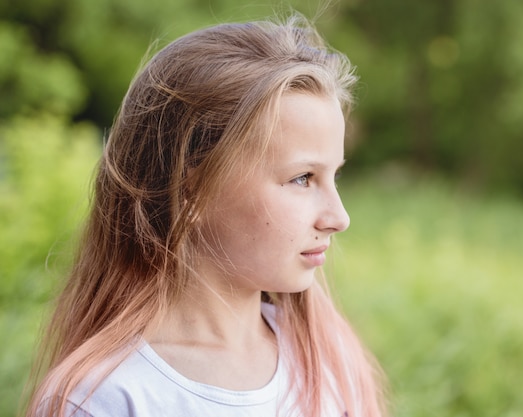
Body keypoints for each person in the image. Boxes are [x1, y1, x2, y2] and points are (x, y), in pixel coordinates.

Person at [23, 14, 388, 417]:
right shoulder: (106, 398)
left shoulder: (325, 357)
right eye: (302, 178)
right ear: (191, 192)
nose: (338, 217)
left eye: (333, 176)